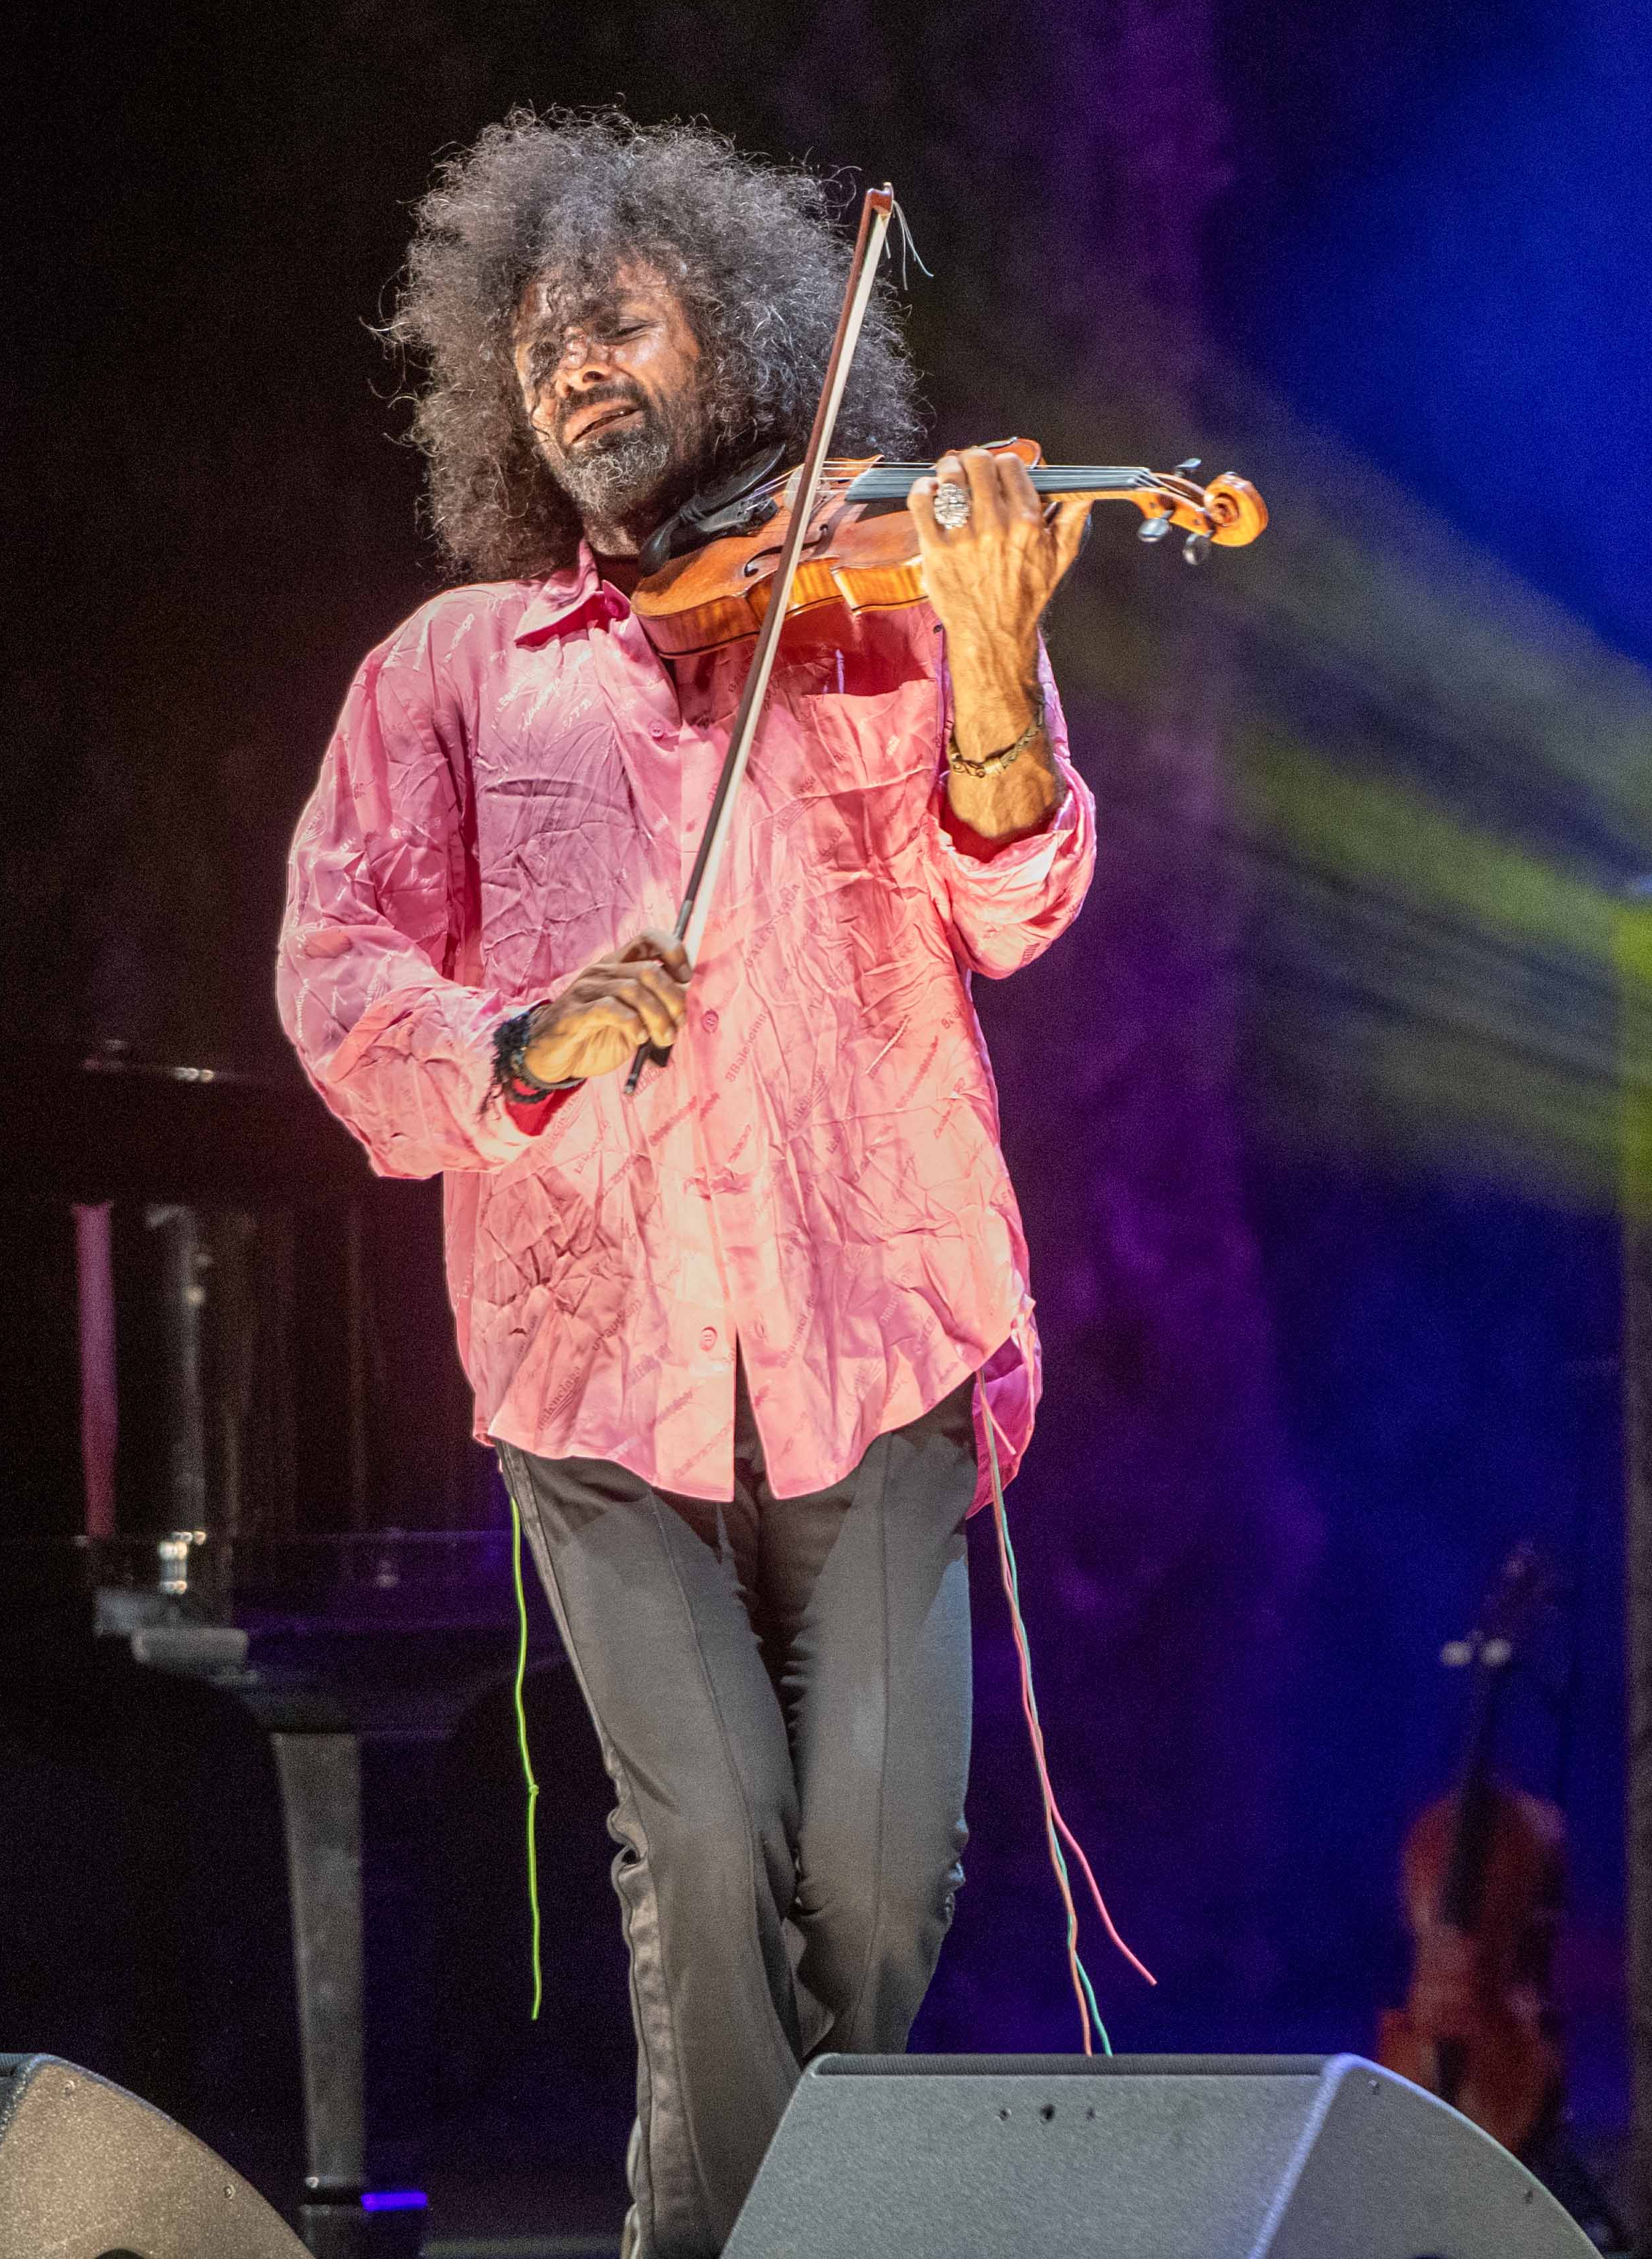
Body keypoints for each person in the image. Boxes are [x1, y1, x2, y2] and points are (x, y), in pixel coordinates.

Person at [274, 109, 1097, 2258]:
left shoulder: (886, 615)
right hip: (598, 1376)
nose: (572, 367)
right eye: (538, 342)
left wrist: (1001, 654)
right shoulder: (447, 674)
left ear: (731, 343)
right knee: (709, 1847)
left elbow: (1014, 908)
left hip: (880, 1339)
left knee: (873, 1872)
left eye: (615, 320)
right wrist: (521, 1040)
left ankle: (727, 2232)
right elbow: (343, 973)